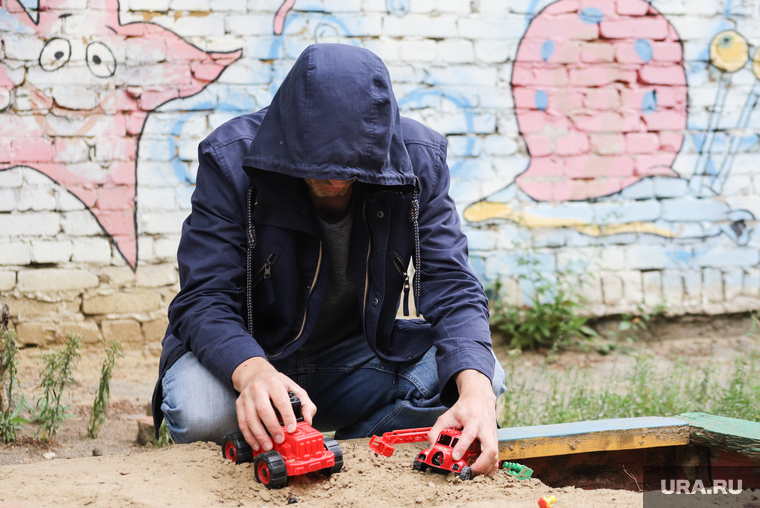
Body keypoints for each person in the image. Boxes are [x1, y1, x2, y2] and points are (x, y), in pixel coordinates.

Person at [151, 43, 507, 476]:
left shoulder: (418, 162)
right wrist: (252, 373)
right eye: (317, 162)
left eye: (351, 164)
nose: (334, 178)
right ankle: (305, 431)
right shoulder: (231, 160)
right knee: (200, 411)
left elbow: (453, 286)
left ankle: (346, 448)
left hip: (356, 359)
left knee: (480, 378)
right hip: (249, 354)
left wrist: (477, 394)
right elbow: (203, 298)